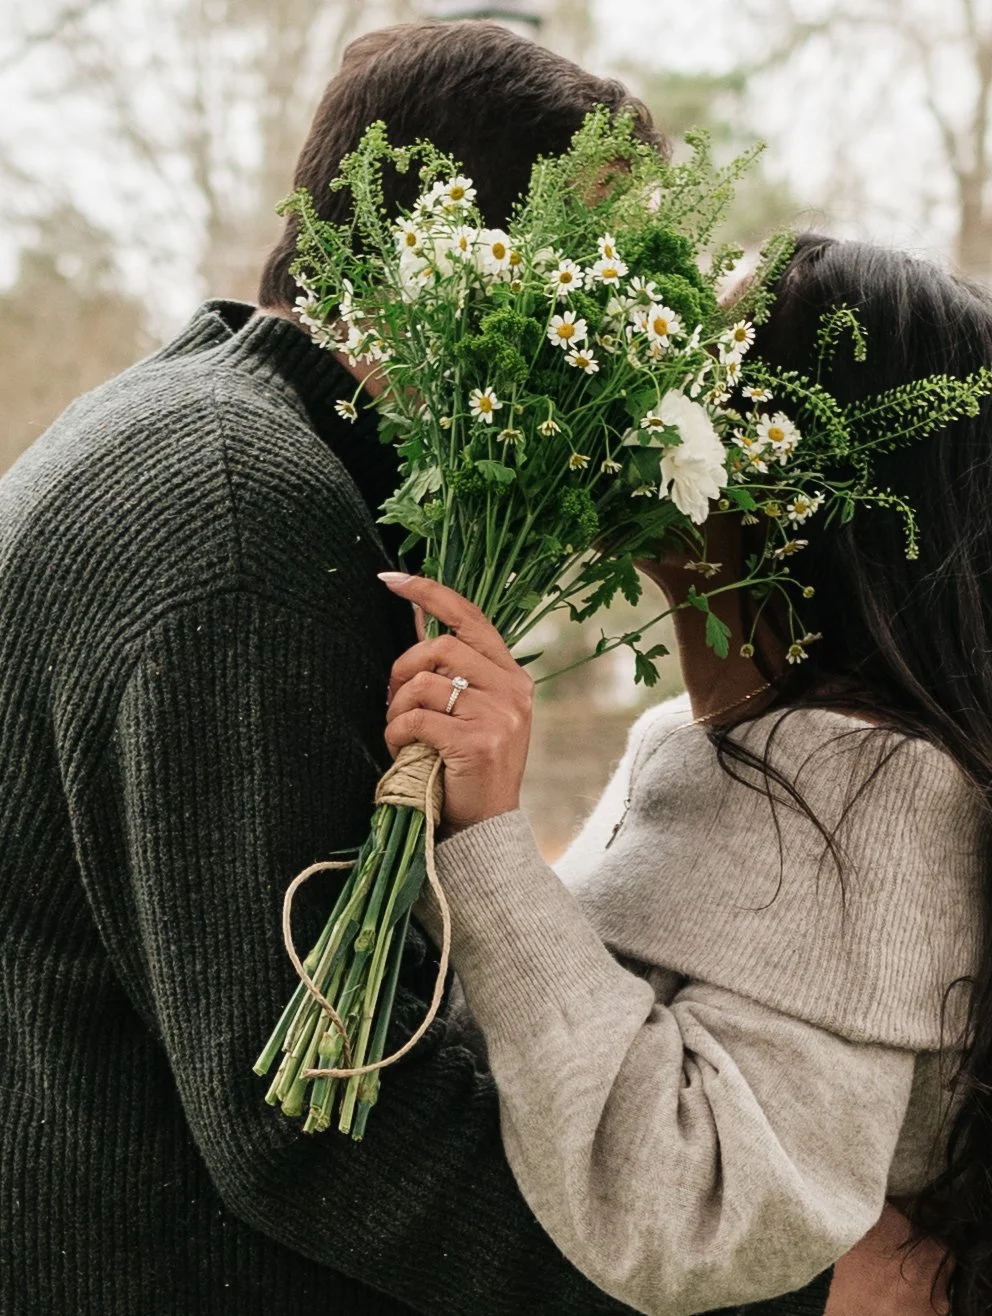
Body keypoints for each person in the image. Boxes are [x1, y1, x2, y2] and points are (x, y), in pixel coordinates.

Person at [0, 19, 839, 1316]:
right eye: (597, 298)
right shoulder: (242, 521)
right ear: (460, 274)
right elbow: (324, 1124)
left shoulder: (206, 437)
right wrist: (758, 1290)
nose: (613, 375)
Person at [379, 234, 992, 1314]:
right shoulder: (690, 734)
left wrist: (487, 849)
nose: (631, 384)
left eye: (692, 366)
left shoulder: (875, 792)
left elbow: (698, 1214)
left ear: (789, 474)